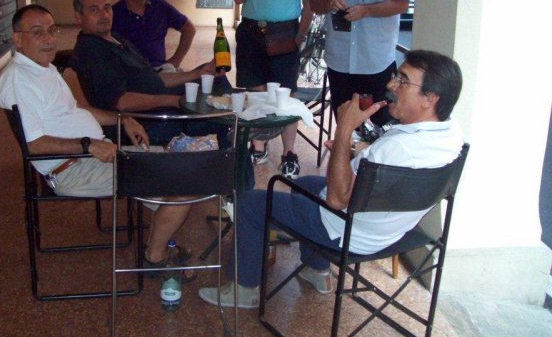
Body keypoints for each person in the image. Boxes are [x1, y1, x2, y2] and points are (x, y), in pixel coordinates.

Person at [198, 50, 465, 308]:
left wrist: (345, 129)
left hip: (348, 230)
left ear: (430, 98)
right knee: (305, 185)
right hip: (389, 229)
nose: (390, 84)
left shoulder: (396, 148)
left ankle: (243, 290)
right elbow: (391, 168)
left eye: (402, 80)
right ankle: (316, 269)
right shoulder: (451, 135)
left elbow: (337, 200)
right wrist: (358, 152)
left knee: (250, 202)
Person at [0, 4, 194, 272]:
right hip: (74, 168)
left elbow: (75, 110)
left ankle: (161, 235)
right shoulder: (19, 80)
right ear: (17, 39)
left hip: (92, 157)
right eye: (38, 32)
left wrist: (122, 119)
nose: (49, 39)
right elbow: (34, 145)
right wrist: (88, 145)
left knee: (177, 165)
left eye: (52, 30)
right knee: (185, 183)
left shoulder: (42, 69)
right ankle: (155, 258)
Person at [69, 0, 253, 187]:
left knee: (213, 77)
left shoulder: (115, 40)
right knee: (227, 123)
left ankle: (239, 122)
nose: (104, 15)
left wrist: (198, 73)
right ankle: (241, 190)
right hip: (149, 123)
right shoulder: (93, 50)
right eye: (94, 10)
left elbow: (154, 79)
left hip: (159, 105)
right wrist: (174, 101)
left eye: (107, 8)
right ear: (78, 17)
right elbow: (122, 102)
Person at [233, 0, 315, 179]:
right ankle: (260, 146)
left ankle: (289, 153)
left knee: (285, 96)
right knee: (256, 92)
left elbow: (309, 2)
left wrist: (300, 35)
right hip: (251, 31)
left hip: (285, 32)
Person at [112, 0, 197, 71]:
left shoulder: (160, 6)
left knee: (204, 72)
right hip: (129, 73)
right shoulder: (113, 13)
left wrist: (176, 61)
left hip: (160, 70)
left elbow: (189, 28)